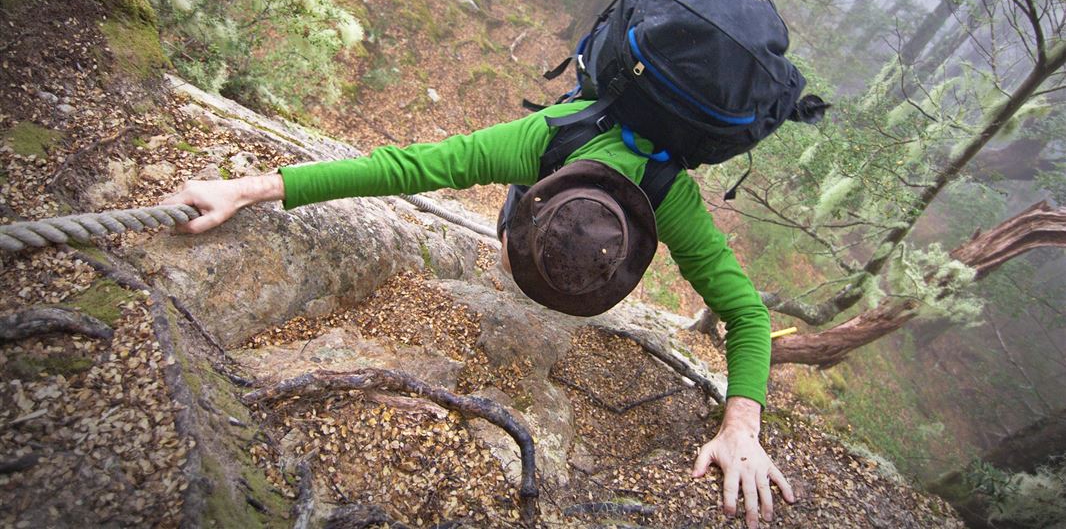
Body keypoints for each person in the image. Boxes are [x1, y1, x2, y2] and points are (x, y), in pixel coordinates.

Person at [163, 97, 796, 528]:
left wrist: (743, 426)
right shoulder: (545, 136)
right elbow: (401, 168)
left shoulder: (672, 199)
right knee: (503, 253)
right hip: (567, 151)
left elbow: (749, 316)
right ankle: (515, 246)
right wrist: (244, 189)